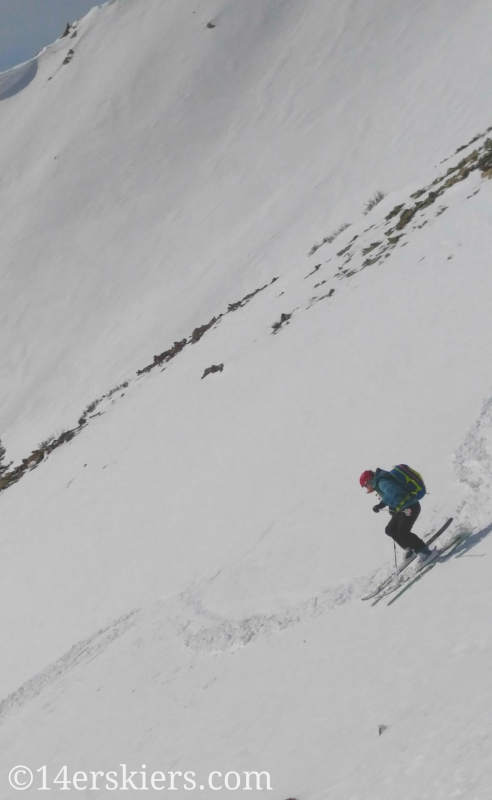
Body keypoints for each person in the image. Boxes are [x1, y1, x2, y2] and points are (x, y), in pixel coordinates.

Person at [359, 468, 432, 562]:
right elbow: (396, 495)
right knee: (390, 529)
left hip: (411, 506)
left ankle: (424, 550)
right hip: (404, 508)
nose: (367, 488)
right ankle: (409, 548)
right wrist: (392, 508)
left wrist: (381, 504)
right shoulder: (379, 483)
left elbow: (391, 492)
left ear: (368, 481)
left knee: (403, 532)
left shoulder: (381, 482)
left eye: (365, 485)